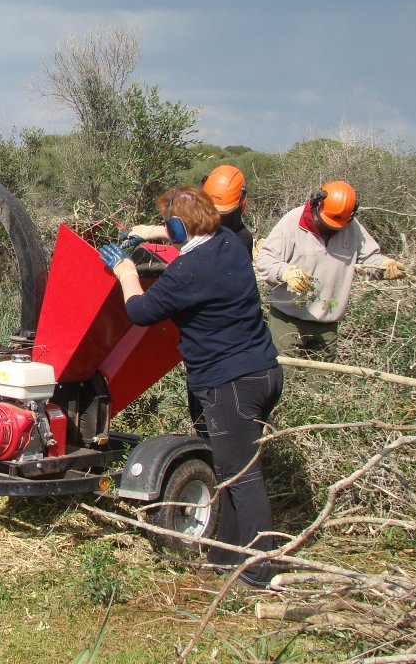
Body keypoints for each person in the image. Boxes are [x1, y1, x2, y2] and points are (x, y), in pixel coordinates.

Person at [100, 186, 283, 588]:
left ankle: (257, 571)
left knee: (241, 474)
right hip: (263, 372)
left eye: (170, 225)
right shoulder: (232, 242)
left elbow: (141, 311)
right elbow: (190, 231)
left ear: (181, 227)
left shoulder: (189, 270)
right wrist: (150, 232)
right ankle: (224, 555)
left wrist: (126, 272)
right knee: (229, 466)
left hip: (229, 382)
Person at [255, 181, 405, 359]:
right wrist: (284, 272)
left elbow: (369, 259)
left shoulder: (351, 225)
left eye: (337, 224)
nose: (332, 227)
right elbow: (265, 260)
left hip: (327, 324)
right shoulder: (293, 221)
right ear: (318, 203)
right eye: (328, 221)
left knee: (321, 384)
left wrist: (384, 266)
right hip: (287, 321)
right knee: (284, 381)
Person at [124, 164, 253, 258]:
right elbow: (194, 236)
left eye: (222, 214)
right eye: (211, 210)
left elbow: (205, 250)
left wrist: (127, 274)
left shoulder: (241, 240)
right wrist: (151, 231)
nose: (215, 217)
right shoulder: (205, 226)